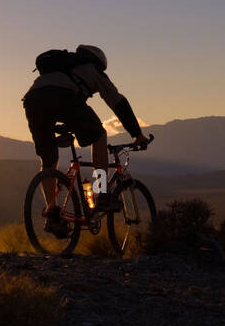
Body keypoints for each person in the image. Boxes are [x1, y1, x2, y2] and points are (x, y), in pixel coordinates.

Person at [22, 44, 148, 236]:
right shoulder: (93, 70)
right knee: (99, 135)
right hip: (63, 97)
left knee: (48, 159)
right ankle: (102, 194)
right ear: (98, 61)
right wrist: (137, 134)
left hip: (32, 100)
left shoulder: (61, 67)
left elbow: (48, 95)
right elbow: (118, 102)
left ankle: (53, 213)